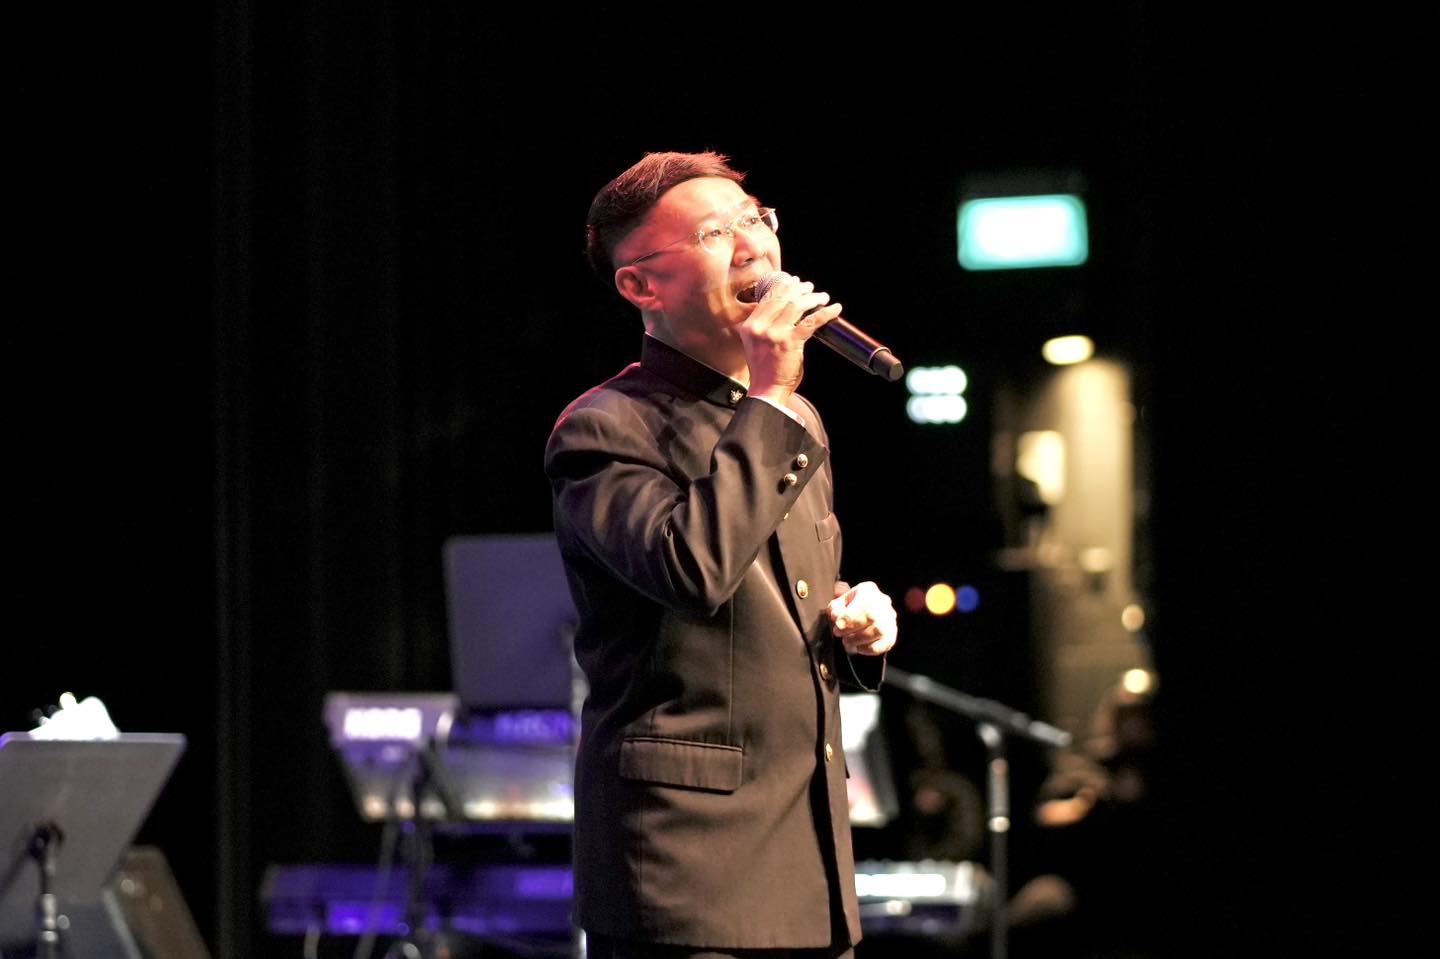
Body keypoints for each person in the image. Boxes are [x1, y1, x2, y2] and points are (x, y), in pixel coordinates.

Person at [543, 150, 899, 959]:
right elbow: (691, 569)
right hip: (686, 862)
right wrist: (771, 395)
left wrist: (853, 620)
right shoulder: (603, 427)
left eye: (756, 220)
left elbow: (769, 590)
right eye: (715, 231)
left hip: (808, 855)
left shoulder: (796, 420)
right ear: (642, 287)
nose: (752, 245)